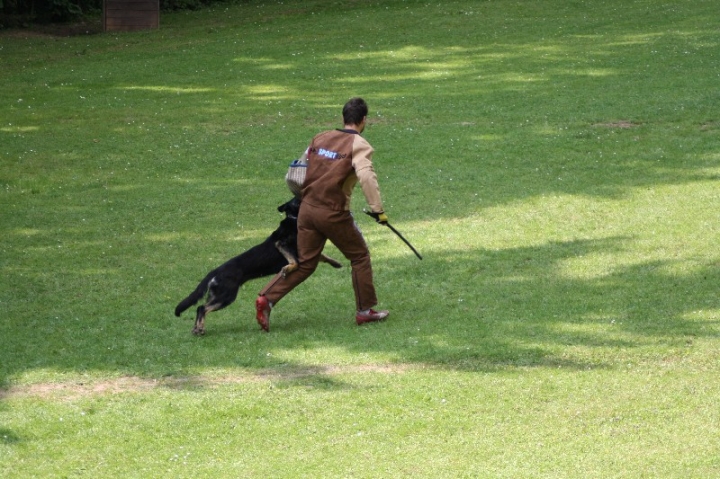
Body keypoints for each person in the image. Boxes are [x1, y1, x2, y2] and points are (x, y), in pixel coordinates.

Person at [255, 97, 389, 332]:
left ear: (343, 117)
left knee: (305, 263)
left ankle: (266, 298)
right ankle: (365, 311)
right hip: (333, 213)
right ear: (364, 120)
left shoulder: (320, 137)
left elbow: (300, 165)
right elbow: (367, 177)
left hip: (306, 210)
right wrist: (378, 210)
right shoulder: (359, 144)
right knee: (359, 257)